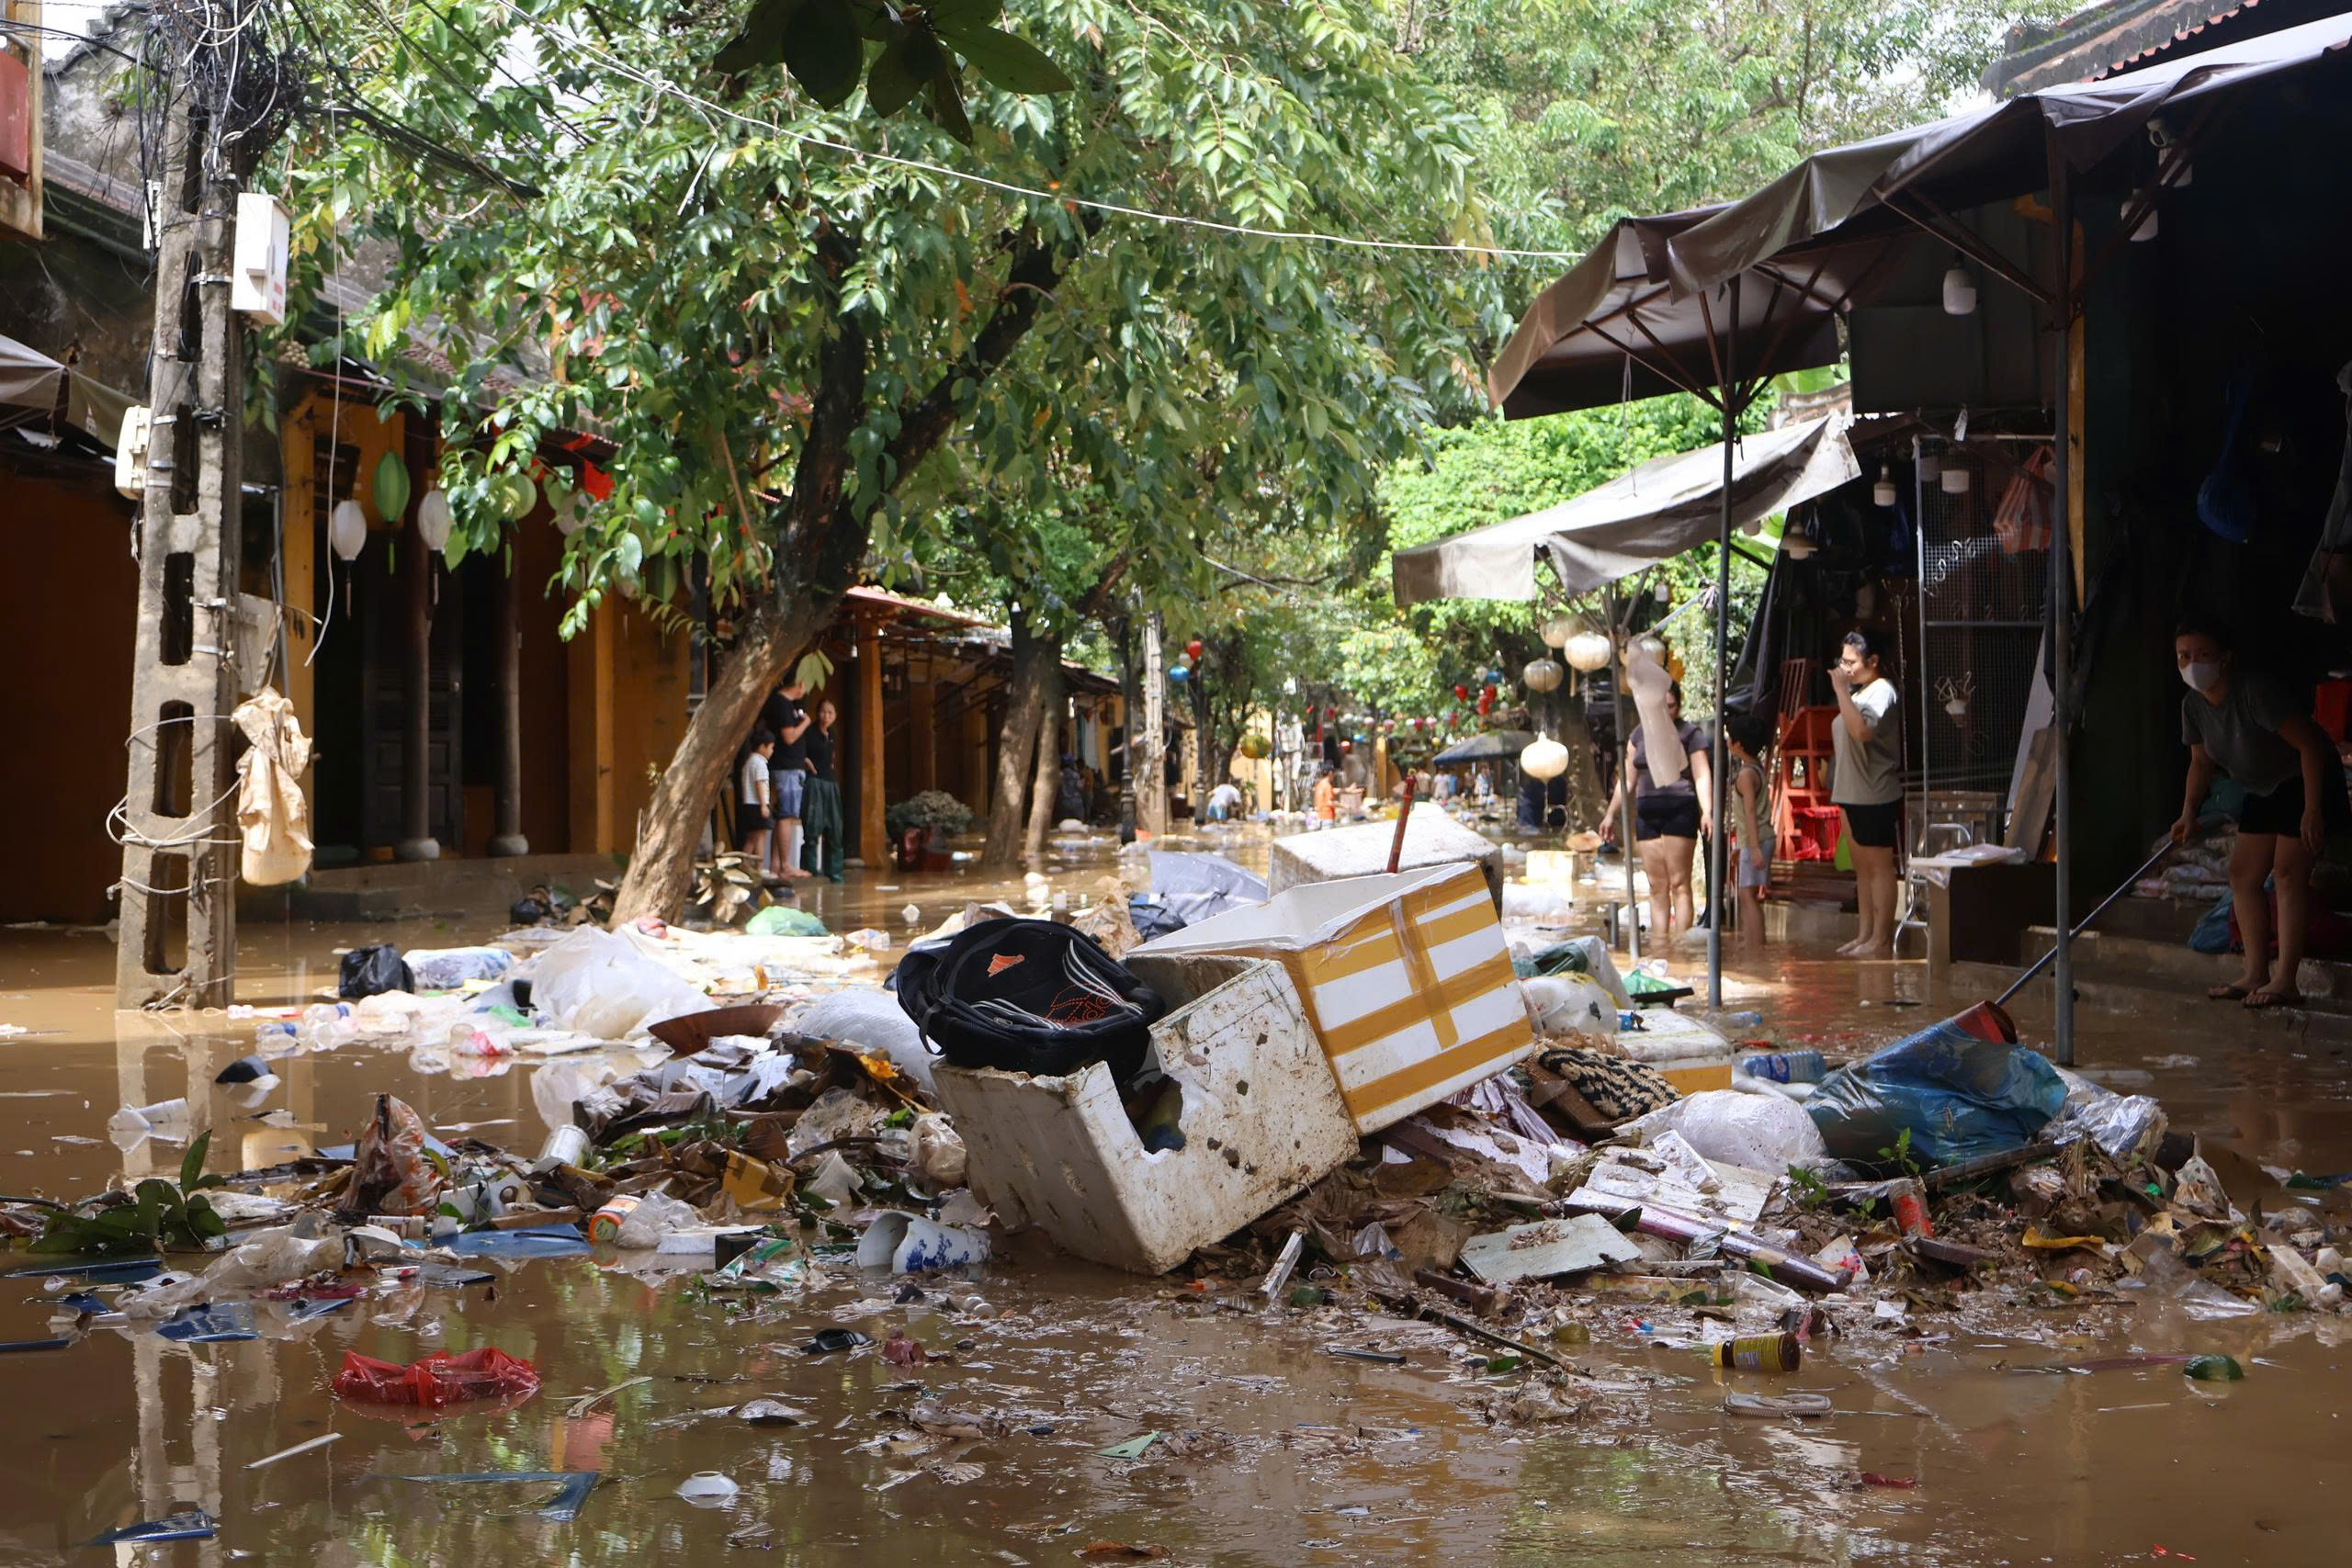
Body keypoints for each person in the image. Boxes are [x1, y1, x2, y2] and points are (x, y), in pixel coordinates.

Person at [2171, 617, 2346, 1009]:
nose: (2193, 663)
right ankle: (2255, 972)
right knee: (2242, 874)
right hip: (2263, 789)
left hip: (2303, 779)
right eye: (2184, 656)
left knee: (2287, 872)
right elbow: (2199, 764)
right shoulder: (2193, 706)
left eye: (2203, 655)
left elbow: (2310, 747)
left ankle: (2286, 980)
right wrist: (2188, 813)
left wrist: (2313, 810)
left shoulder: (2254, 694)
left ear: (2225, 659)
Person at [1600, 681, 1713, 942]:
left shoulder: (1690, 734)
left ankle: (1682, 949)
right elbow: (1627, 781)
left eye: (1670, 706)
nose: (1665, 712)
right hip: (1647, 815)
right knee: (1656, 886)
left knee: (1679, 884)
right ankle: (1661, 948)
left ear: (1678, 705)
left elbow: (1702, 775)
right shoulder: (1637, 736)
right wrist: (1610, 814)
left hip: (1680, 810)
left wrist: (1706, 810)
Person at [1829, 628, 1903, 958]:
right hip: (1849, 792)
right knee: (1862, 869)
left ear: (1872, 661)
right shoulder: (1856, 694)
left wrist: (1841, 691)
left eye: (1851, 662)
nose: (1845, 668)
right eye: (1842, 661)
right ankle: (1865, 934)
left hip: (1875, 793)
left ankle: (1881, 939)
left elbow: (1860, 731)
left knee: (1879, 868)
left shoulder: (1881, 690)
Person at [1724, 712, 1775, 945]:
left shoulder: (1745, 775)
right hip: (1756, 839)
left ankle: (1755, 946)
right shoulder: (1756, 768)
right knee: (1749, 895)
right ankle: (1753, 941)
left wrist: (1752, 848)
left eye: (1730, 738)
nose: (1728, 742)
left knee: (1747, 895)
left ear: (1739, 745)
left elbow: (1750, 813)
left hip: (1758, 840)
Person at [761, 678, 814, 880]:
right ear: (799, 682)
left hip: (793, 765)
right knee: (787, 816)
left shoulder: (788, 705)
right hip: (786, 768)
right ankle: (784, 865)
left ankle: (776, 865)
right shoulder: (781, 704)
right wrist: (806, 723)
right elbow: (789, 737)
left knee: (785, 816)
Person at [798, 698, 845, 884]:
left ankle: (834, 873)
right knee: (812, 827)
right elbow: (799, 750)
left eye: (830, 713)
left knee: (835, 829)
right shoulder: (809, 732)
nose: (826, 716)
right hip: (814, 782)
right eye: (823, 712)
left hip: (830, 782)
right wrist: (806, 761)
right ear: (818, 713)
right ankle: (809, 872)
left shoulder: (832, 733)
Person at [736, 728, 775, 867]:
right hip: (758, 804)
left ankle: (744, 867)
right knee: (760, 837)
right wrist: (764, 805)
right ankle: (759, 868)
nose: (772, 751)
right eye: (771, 747)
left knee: (751, 838)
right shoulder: (760, 763)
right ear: (762, 746)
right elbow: (759, 784)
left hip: (748, 804)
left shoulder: (749, 762)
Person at [1312, 761, 1338, 827]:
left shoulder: (1319, 785)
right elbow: (1330, 802)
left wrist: (1348, 790)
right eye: (1333, 773)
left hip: (1320, 817)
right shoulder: (1327, 786)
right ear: (1330, 773)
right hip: (1328, 817)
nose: (1334, 775)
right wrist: (1344, 806)